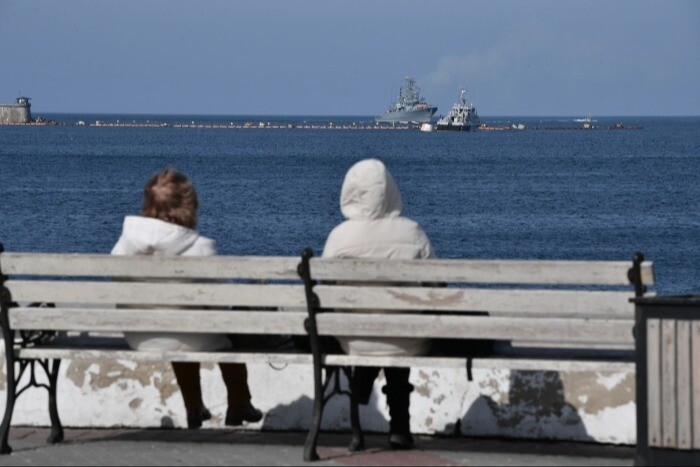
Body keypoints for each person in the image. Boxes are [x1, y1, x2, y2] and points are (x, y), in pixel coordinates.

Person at [111, 168, 263, 429]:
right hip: (189, 335)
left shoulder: (126, 242)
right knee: (224, 338)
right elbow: (219, 302)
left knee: (179, 330)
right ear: (190, 207)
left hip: (140, 336)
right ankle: (239, 402)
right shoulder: (200, 247)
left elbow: (116, 280)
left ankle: (194, 408)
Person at [322, 158, 435, 449]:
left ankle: (361, 390)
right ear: (392, 192)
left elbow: (324, 292)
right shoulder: (412, 232)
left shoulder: (339, 237)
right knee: (399, 330)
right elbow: (438, 287)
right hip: (406, 340)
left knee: (374, 329)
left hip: (353, 340)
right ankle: (400, 426)